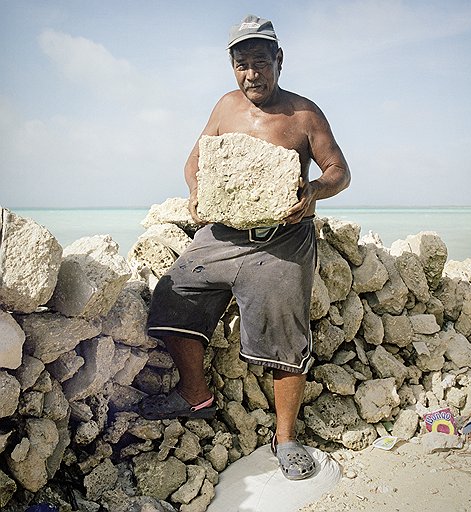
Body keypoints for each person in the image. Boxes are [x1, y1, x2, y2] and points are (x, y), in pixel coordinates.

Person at [141, 14, 350, 481]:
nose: (251, 74)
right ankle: (197, 399)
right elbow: (195, 159)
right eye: (242, 64)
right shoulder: (225, 107)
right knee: (170, 300)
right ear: (231, 66)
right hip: (223, 235)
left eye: (260, 62)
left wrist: (312, 192)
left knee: (284, 337)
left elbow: (340, 170)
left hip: (283, 239)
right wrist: (199, 192)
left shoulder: (304, 114)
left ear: (279, 60)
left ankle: (287, 438)